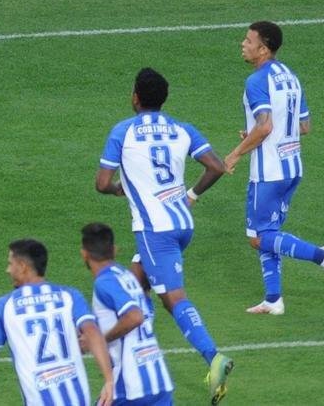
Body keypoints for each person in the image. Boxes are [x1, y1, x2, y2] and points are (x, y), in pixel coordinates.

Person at [96, 67, 232, 404]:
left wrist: (119, 191)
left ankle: (214, 358)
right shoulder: (182, 129)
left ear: (135, 97)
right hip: (181, 222)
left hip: (154, 230)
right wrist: (191, 196)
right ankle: (138, 357)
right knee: (133, 285)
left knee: (174, 299)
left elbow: (101, 183)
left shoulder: (122, 132)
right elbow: (216, 166)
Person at [224, 20, 324, 314]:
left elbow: (265, 127)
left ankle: (323, 256)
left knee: (258, 237)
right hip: (292, 167)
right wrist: (252, 132)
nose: (243, 44)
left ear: (263, 49)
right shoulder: (290, 76)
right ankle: (274, 299)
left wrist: (236, 153)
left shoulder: (256, 81)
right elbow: (303, 126)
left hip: (268, 172)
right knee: (270, 231)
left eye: (248, 40)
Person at [0, 238, 114, 406]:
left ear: (23, 266)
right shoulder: (69, 296)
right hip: (78, 399)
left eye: (10, 264)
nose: (8, 270)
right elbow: (92, 332)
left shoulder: (5, 305)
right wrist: (108, 380)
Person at [81, 222, 175, 406]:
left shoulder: (105, 282)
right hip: (158, 378)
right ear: (114, 250)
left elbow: (135, 316)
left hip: (130, 386)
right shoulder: (127, 277)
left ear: (84, 253)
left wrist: (100, 339)